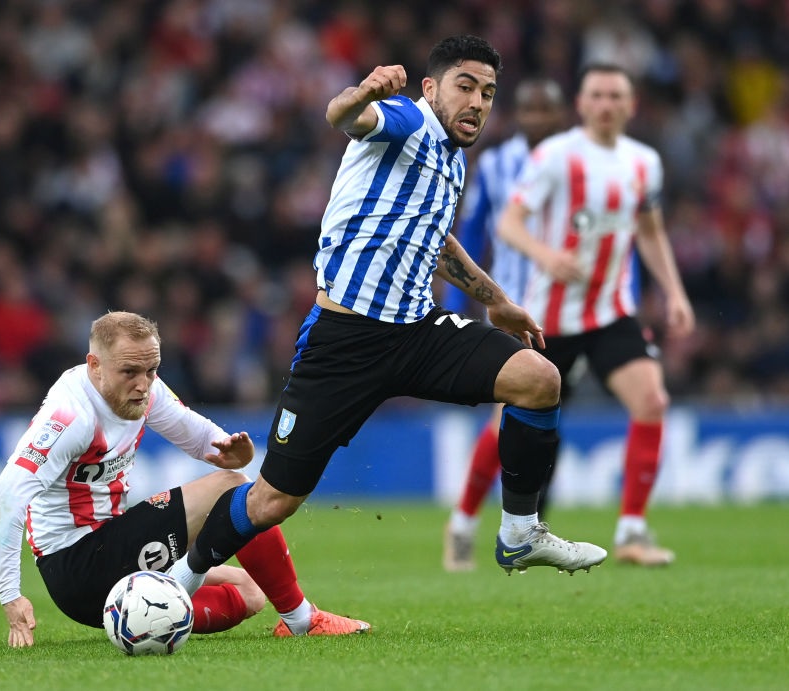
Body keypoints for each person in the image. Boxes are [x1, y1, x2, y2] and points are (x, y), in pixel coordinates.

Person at [166, 35, 607, 599]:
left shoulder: (451, 158)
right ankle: (181, 579)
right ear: (431, 88)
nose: (477, 102)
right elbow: (343, 116)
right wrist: (360, 94)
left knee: (539, 380)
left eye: (489, 92)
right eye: (465, 86)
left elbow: (434, 238)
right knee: (273, 500)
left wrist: (493, 298)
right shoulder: (408, 120)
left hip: (415, 332)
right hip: (344, 341)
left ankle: (520, 532)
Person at [0, 311, 369, 648]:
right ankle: (303, 621)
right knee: (232, 487)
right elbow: (6, 496)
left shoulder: (142, 389)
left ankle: (135, 616)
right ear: (95, 365)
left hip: (110, 555)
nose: (143, 383)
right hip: (78, 562)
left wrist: (230, 449)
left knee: (251, 592)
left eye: (151, 370)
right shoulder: (71, 417)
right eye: (130, 372)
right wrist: (10, 595)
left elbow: (199, 437)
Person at [493, 63, 695, 566]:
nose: (606, 104)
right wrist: (548, 257)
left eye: (616, 95)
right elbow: (509, 223)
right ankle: (464, 521)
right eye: (597, 95)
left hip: (610, 313)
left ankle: (631, 532)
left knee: (652, 399)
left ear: (630, 105)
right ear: (581, 104)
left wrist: (674, 292)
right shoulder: (555, 156)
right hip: (550, 316)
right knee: (511, 417)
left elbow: (649, 232)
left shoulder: (644, 162)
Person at [441, 78, 569, 572]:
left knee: (542, 421)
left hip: (568, 313)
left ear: (560, 117)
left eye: (546, 110)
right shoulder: (495, 164)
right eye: (529, 109)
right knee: (509, 414)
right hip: (514, 307)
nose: (537, 119)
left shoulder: (577, 163)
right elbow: (467, 234)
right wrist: (457, 304)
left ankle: (514, 522)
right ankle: (467, 523)